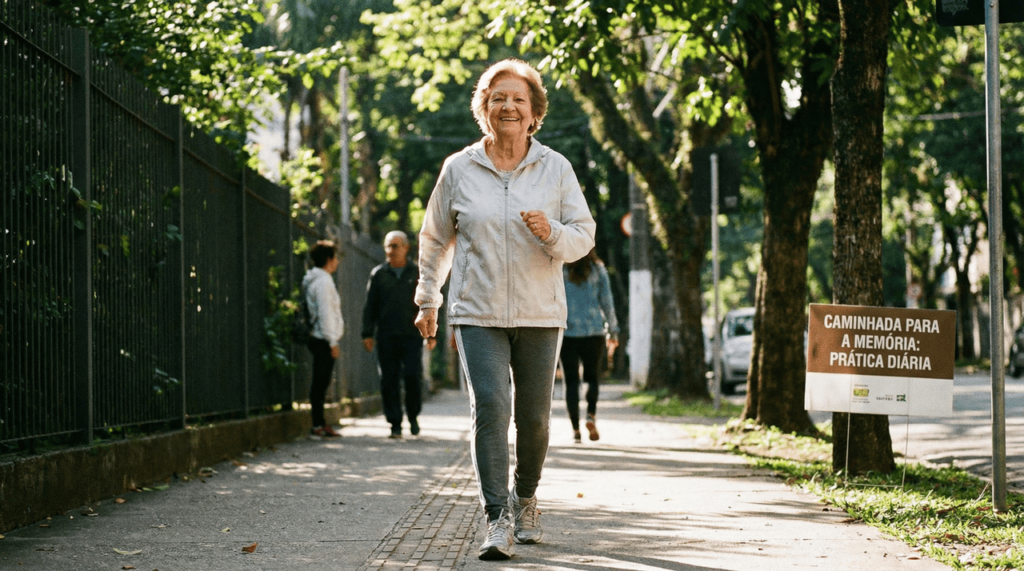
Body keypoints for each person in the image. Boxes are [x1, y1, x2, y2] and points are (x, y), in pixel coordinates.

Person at [413, 58, 596, 561]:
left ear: (534, 112)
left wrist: (552, 233)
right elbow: (435, 239)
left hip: (540, 314)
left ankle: (527, 498)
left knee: (534, 419)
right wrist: (428, 298)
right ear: (484, 110)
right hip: (477, 312)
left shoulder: (556, 168)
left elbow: (584, 236)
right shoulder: (459, 168)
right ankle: (497, 518)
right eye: (498, 98)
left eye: (518, 99)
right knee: (491, 408)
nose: (508, 106)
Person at [361, 231, 436, 439]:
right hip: (386, 336)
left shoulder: (417, 273)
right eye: (388, 246)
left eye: (395, 246)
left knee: (413, 376)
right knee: (388, 379)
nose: (390, 250)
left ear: (406, 248)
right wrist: (367, 333)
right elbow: (370, 306)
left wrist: (431, 334)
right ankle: (394, 423)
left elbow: (428, 304)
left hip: (412, 335)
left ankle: (412, 415)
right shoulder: (378, 274)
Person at [560, 248, 619, 443]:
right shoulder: (598, 270)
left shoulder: (561, 270)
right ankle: (590, 416)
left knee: (571, 381)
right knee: (592, 378)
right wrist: (613, 330)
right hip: (593, 332)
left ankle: (576, 430)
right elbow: (607, 302)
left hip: (567, 333)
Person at [303, 240, 345, 438]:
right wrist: (332, 341)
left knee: (321, 383)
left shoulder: (316, 280)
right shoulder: (324, 282)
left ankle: (319, 423)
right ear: (329, 259)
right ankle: (317, 425)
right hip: (323, 339)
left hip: (318, 337)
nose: (337, 261)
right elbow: (326, 313)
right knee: (321, 383)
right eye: (335, 257)